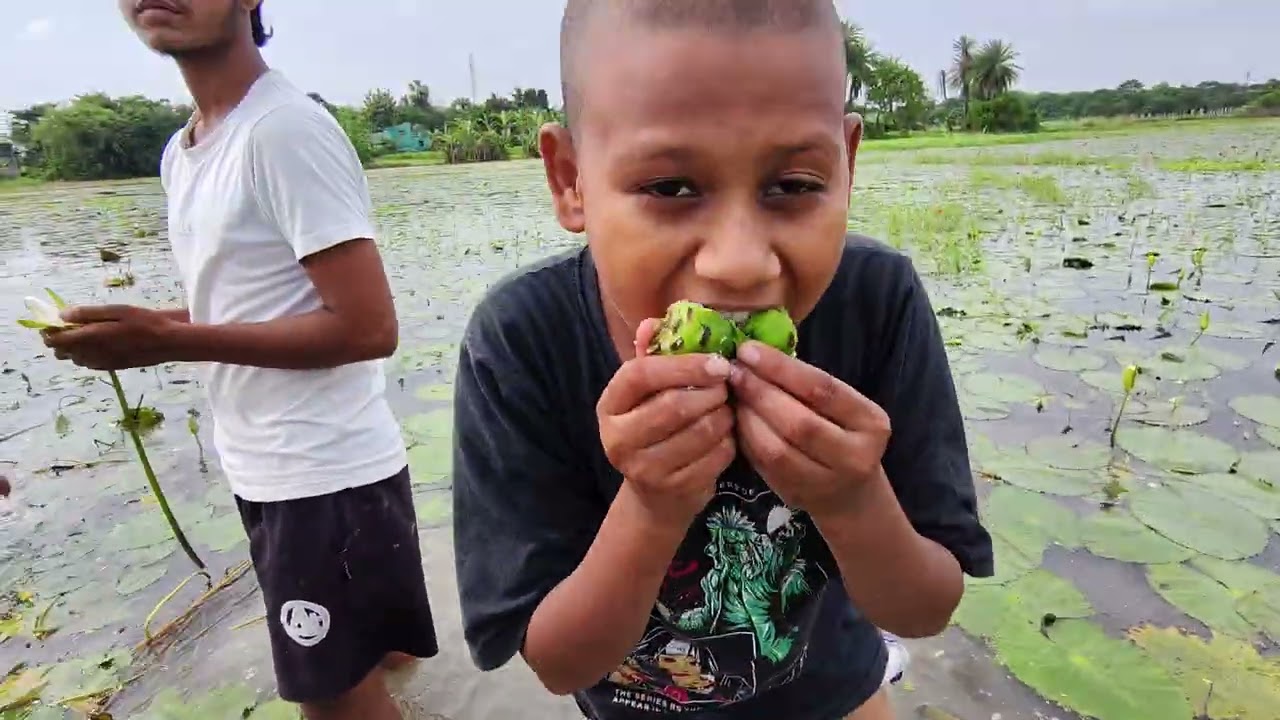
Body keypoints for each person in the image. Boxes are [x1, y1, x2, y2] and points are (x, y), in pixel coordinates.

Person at [450, 1, 995, 719]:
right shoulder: (521, 341)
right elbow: (557, 662)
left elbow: (926, 607)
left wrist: (852, 499)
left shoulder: (876, 300)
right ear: (570, 179)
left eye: (793, 186)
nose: (738, 265)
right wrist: (651, 504)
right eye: (671, 188)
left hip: (836, 695)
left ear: (848, 162)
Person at [43, 2, 438, 719]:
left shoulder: (281, 131)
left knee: (334, 700)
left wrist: (166, 342)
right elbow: (246, 307)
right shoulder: (186, 150)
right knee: (378, 656)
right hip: (282, 468)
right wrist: (141, 328)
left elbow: (367, 326)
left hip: (318, 478)